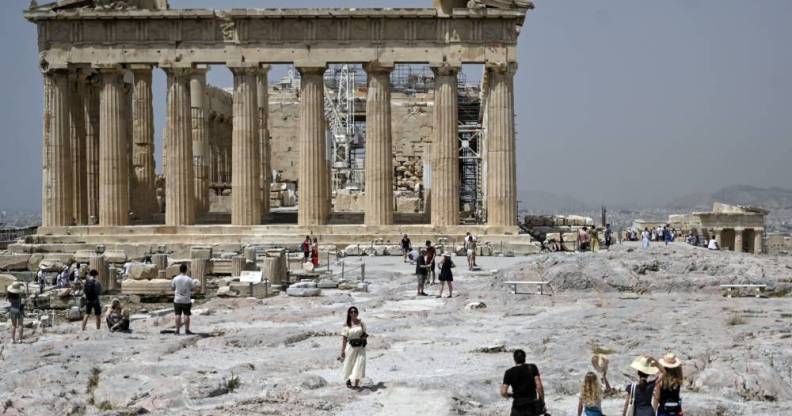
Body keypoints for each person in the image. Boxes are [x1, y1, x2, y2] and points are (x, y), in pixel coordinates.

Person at [501, 349, 545, 416]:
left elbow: (503, 392)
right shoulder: (532, 367)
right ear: (525, 358)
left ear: (514, 359)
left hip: (517, 408)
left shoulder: (509, 372)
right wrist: (541, 402)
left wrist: (510, 395)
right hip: (531, 406)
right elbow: (539, 387)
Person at [340, 306, 368, 389]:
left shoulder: (361, 323)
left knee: (359, 364)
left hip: (360, 347)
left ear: (357, 313)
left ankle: (356, 384)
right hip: (351, 347)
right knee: (350, 364)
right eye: (351, 312)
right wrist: (342, 351)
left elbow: (365, 333)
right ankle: (349, 379)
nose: (353, 313)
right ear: (349, 314)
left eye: (355, 311)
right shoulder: (346, 325)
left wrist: (364, 338)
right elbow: (344, 339)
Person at [171, 263, 198, 335]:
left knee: (177, 314)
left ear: (179, 270)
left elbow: (172, 288)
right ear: (186, 270)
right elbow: (192, 288)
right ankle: (187, 330)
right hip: (186, 299)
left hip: (177, 299)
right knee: (186, 314)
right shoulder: (189, 279)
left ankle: (177, 330)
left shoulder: (175, 278)